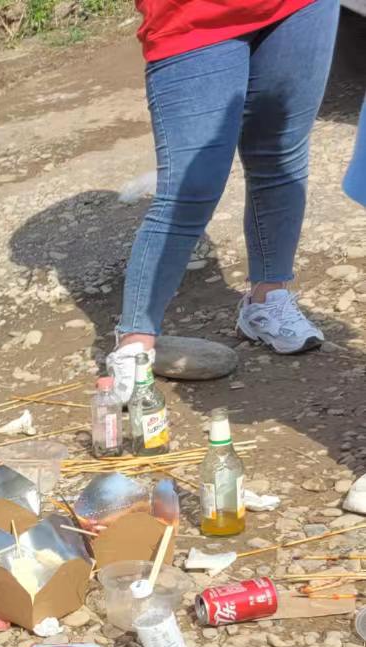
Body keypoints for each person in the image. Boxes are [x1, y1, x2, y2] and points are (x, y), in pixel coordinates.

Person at [109, 0, 339, 390]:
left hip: (302, 8)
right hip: (190, 14)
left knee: (280, 154)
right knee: (189, 186)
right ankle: (135, 343)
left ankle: (267, 301)